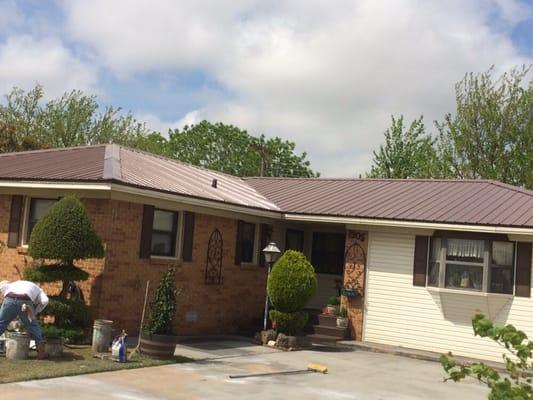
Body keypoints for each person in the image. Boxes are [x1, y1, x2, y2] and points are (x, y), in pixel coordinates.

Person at [0, 280, 49, 359]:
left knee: (1, 323)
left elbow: (1, 286)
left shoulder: (15, 283)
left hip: (9, 299)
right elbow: (45, 301)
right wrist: (35, 312)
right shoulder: (39, 290)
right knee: (33, 325)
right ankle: (41, 353)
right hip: (25, 301)